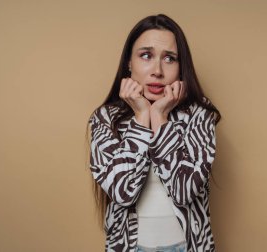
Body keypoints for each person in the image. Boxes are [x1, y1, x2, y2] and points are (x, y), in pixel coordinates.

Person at [88, 14, 221, 252]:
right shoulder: (104, 119)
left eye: (169, 58)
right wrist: (141, 116)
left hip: (187, 247)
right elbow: (123, 192)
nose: (157, 70)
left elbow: (183, 191)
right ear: (129, 62)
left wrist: (159, 117)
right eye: (146, 56)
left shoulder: (199, 115)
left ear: (181, 68)